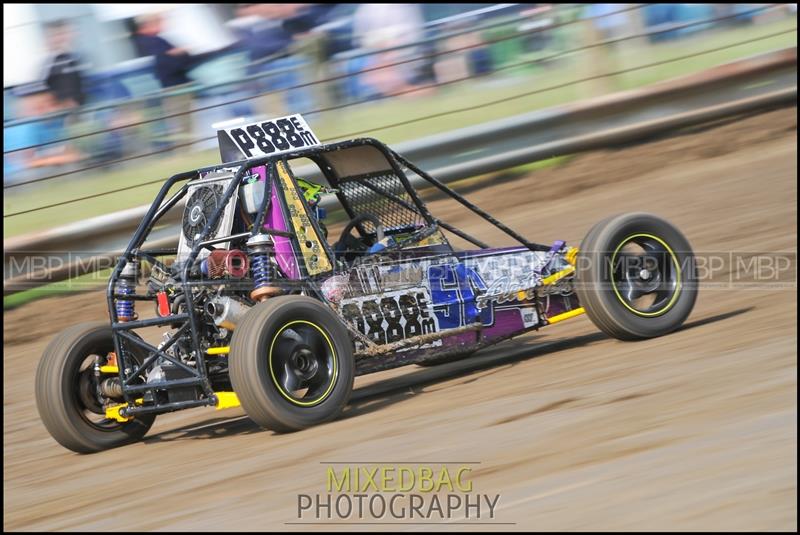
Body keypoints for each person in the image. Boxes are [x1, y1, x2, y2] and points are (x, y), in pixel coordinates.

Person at [40, 19, 87, 107]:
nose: (61, 38)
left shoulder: (74, 58)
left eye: (63, 34)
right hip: (62, 109)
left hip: (76, 107)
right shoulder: (51, 62)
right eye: (56, 35)